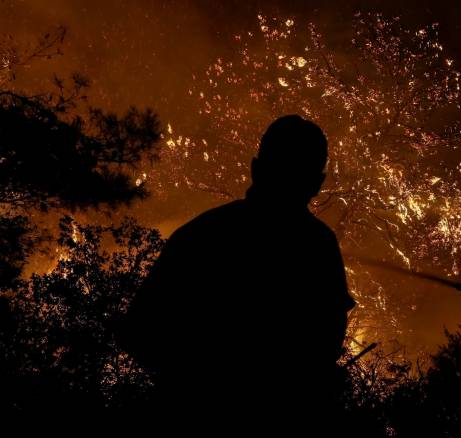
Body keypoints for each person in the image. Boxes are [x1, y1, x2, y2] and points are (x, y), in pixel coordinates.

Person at [119, 115, 355, 423]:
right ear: (317, 184)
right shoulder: (319, 248)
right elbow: (326, 341)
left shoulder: (200, 235)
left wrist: (188, 384)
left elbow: (137, 330)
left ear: (256, 168)